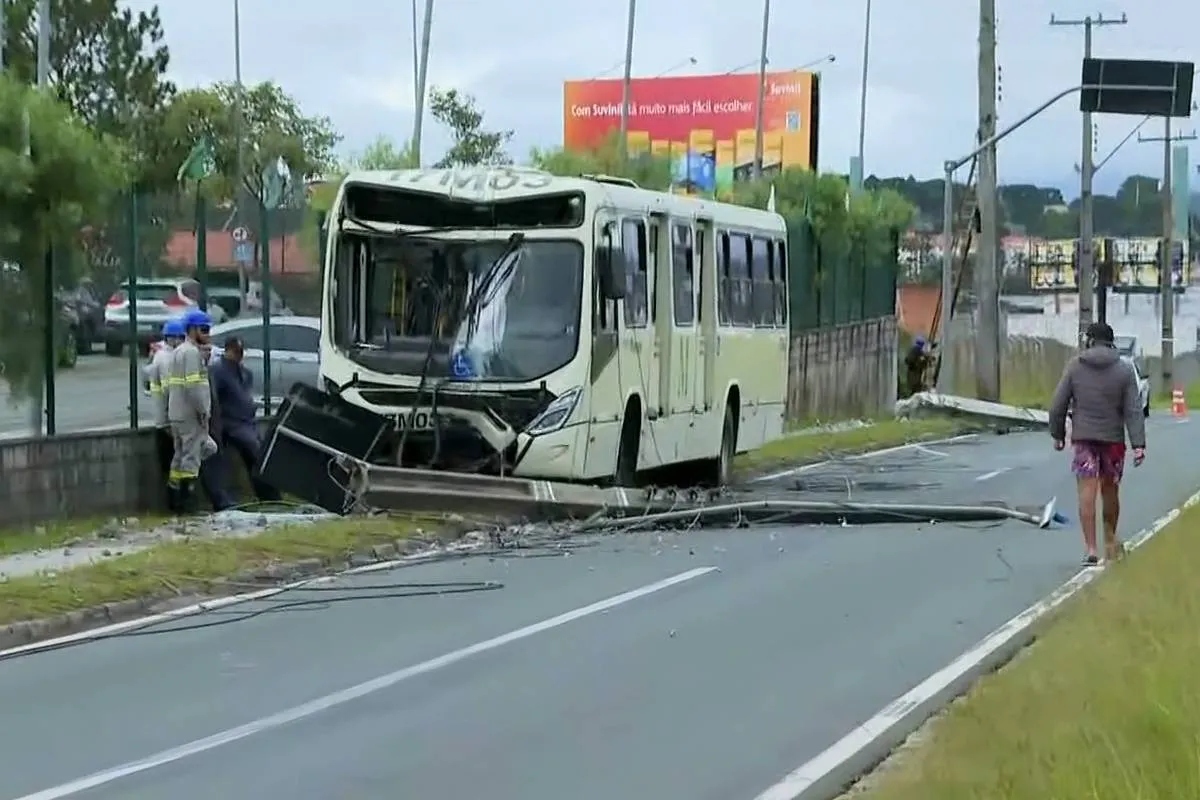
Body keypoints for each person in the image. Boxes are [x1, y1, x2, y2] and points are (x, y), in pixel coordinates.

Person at [1048, 321, 1147, 566]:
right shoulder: (1124, 370)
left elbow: (1057, 405)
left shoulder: (1075, 367)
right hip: (1113, 441)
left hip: (1084, 440)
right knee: (1110, 491)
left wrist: (1058, 435)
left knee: (1087, 493)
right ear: (1111, 342)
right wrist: (1138, 444)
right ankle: (1110, 542)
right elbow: (1134, 410)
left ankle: (1091, 550)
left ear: (1090, 341)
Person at [209, 335, 282, 502]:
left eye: (241, 352)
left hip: (247, 422)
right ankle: (268, 495)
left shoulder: (244, 373)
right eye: (236, 352)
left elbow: (244, 395)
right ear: (227, 351)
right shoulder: (218, 371)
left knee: (261, 455)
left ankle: (268, 495)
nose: (239, 356)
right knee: (256, 452)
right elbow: (215, 399)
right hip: (231, 423)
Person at [166, 308, 219, 512]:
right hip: (190, 414)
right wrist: (203, 411)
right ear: (193, 329)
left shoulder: (180, 351)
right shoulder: (190, 353)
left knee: (180, 456)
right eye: (204, 330)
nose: (207, 334)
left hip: (177, 413)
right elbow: (193, 386)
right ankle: (187, 503)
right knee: (192, 457)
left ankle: (175, 499)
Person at [147, 318, 185, 512]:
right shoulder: (168, 359)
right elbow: (171, 390)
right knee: (176, 463)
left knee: (172, 464)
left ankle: (176, 503)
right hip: (170, 420)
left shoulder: (160, 356)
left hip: (163, 419)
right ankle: (177, 504)